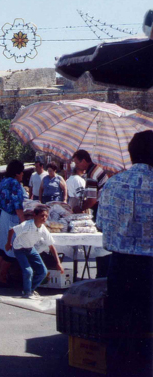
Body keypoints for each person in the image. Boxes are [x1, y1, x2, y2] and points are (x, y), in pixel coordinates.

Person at [97, 130, 153, 343]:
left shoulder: (112, 183)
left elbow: (101, 224)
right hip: (149, 267)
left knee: (120, 326)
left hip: (119, 266)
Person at [5, 205, 64, 299]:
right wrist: (8, 244)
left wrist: (58, 263)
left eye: (46, 216)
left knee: (43, 271)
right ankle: (27, 293)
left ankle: (30, 290)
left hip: (30, 248)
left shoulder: (43, 229)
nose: (44, 218)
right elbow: (12, 230)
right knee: (28, 271)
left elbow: (51, 246)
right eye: (42, 215)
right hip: (19, 249)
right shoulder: (26, 225)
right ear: (34, 215)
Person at [0, 160, 26, 287]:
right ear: (17, 173)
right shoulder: (15, 184)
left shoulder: (3, 181)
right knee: (11, 249)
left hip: (2, 215)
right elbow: (18, 206)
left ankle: (2, 276)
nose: (23, 174)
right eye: (22, 172)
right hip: (10, 217)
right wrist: (24, 223)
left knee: (2, 249)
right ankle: (2, 278)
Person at [71, 149, 108, 216]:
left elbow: (92, 200)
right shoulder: (95, 169)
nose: (76, 166)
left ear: (84, 161)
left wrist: (80, 208)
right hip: (104, 206)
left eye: (77, 163)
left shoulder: (92, 174)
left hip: (101, 208)